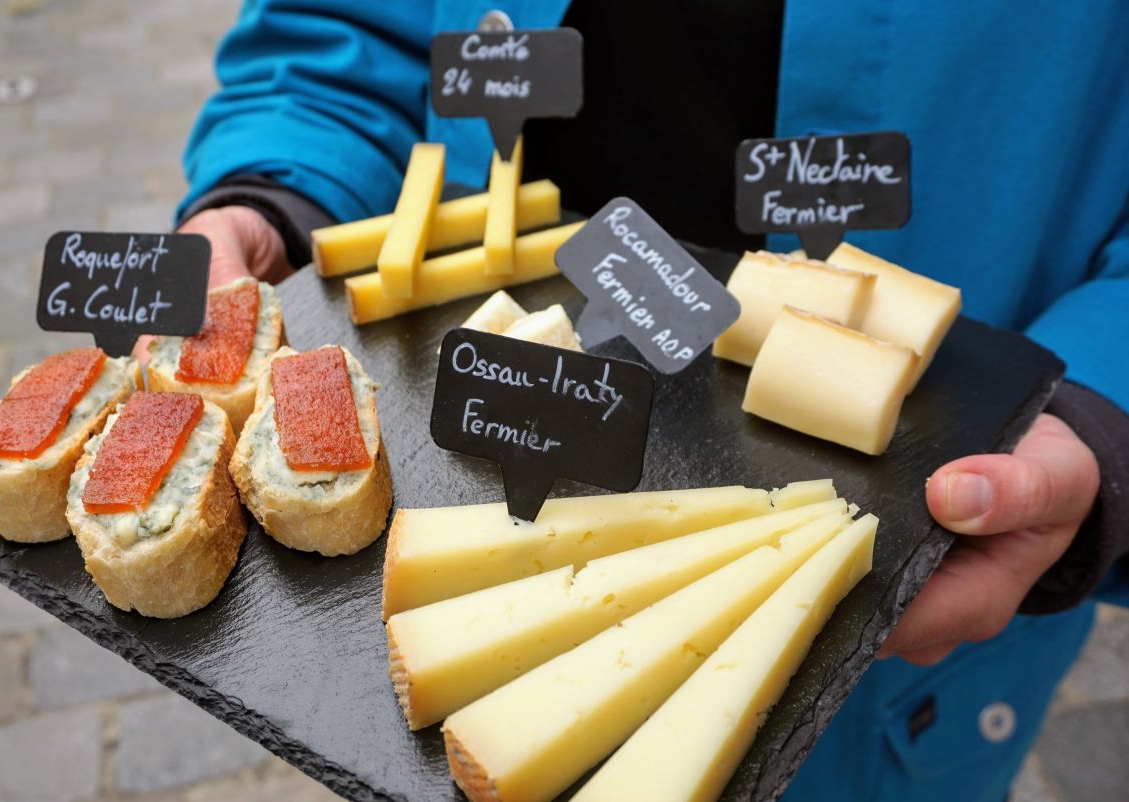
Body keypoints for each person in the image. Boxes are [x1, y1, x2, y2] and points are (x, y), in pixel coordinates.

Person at [172, 2, 1129, 799]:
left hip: (909, 651)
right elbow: (338, 36)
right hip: (508, 394)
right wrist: (276, 191)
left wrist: (1102, 414)